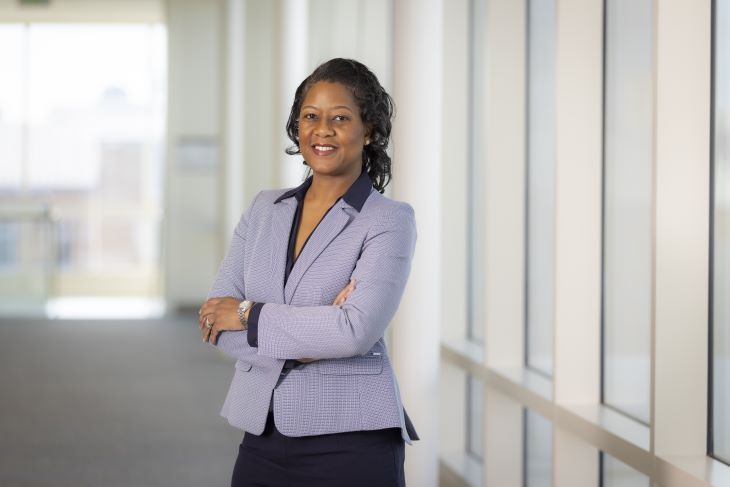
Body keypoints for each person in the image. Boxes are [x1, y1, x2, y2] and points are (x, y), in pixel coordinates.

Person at [197, 58, 418, 487]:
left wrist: (248, 315)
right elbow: (213, 322)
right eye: (310, 117)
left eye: (340, 118)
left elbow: (353, 330)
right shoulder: (265, 209)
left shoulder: (388, 220)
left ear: (368, 129)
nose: (323, 130)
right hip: (261, 434)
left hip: (352, 439)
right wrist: (319, 332)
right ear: (297, 128)